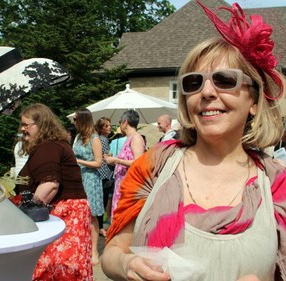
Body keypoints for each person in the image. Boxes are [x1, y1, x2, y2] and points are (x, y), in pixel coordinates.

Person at [101, 1, 286, 280]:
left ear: (254, 101)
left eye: (225, 80)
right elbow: (113, 251)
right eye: (193, 83)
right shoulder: (153, 166)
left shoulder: (277, 183)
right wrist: (127, 265)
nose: (207, 91)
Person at [16, 103, 92, 280]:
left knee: (58, 271)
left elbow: (50, 185)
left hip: (65, 215)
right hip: (66, 214)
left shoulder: (49, 147)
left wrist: (23, 215)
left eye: (26, 125)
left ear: (41, 125)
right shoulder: (51, 145)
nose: (22, 129)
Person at [72, 107, 104, 265]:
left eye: (75, 119)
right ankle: (82, 247)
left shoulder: (94, 138)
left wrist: (79, 161)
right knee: (80, 215)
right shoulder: (77, 137)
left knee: (92, 216)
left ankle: (94, 251)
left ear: (82, 120)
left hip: (91, 179)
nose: (73, 122)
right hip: (78, 178)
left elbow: (99, 163)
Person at [104, 109, 146, 221]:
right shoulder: (129, 138)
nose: (119, 125)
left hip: (129, 185)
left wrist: (117, 160)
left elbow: (138, 162)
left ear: (125, 122)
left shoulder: (136, 138)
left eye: (120, 122)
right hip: (121, 184)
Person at [95, 117, 114, 237]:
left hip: (102, 173)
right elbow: (104, 157)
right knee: (102, 200)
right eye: (107, 126)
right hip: (104, 174)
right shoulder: (103, 140)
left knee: (102, 200)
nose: (110, 127)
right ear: (102, 128)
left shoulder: (102, 139)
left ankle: (99, 225)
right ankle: (100, 227)